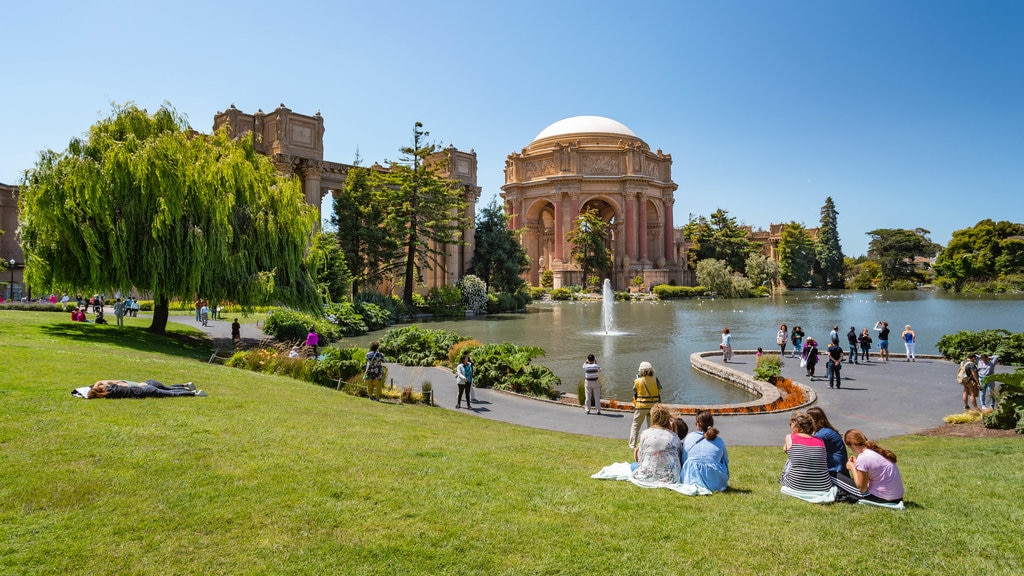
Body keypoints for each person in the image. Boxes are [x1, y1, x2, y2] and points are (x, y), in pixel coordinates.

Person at [833, 429, 905, 504]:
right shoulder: (876, 451)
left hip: (882, 498)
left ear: (852, 444)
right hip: (897, 498)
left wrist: (852, 468)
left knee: (834, 475)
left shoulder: (863, 457)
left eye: (849, 446)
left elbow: (862, 488)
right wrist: (857, 465)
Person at [780, 412, 834, 501]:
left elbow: (785, 449)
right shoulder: (820, 441)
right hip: (823, 485)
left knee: (789, 461)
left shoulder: (790, 437)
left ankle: (783, 480)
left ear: (796, 428)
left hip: (795, 484)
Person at [629, 404, 681, 485]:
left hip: (648, 475)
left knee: (633, 466)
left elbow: (640, 458)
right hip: (671, 477)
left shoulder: (645, 434)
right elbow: (679, 456)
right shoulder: (674, 436)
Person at [681, 410, 729, 492]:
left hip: (690, 480)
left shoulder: (689, 437)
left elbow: (684, 460)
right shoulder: (719, 441)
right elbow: (725, 461)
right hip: (715, 482)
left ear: (698, 424)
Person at [807, 407, 848, 477]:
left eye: (808, 420)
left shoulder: (822, 435)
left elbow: (808, 449)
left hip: (836, 472)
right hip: (840, 468)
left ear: (814, 420)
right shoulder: (827, 430)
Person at [629, 361, 661, 448]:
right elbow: (659, 389)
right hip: (652, 406)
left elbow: (635, 390)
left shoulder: (637, 381)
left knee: (635, 425)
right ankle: (650, 444)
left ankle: (632, 444)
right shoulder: (656, 379)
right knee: (651, 426)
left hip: (640, 406)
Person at [87, 379, 206, 399]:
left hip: (145, 391)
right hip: (144, 386)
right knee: (169, 391)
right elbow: (99, 383)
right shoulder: (111, 387)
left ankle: (194, 394)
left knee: (171, 394)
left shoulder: (110, 394)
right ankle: (189, 389)